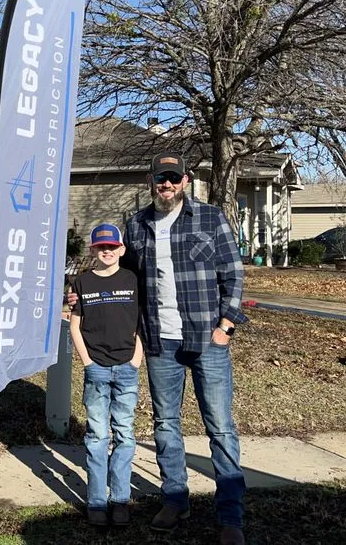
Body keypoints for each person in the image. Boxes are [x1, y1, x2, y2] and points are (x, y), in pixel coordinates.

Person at [123, 151, 247, 545]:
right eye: (161, 178)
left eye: (174, 178)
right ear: (152, 181)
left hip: (207, 338)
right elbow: (128, 281)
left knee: (221, 427)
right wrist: (84, 296)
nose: (167, 185)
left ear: (186, 180)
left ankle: (230, 515)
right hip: (161, 339)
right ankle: (175, 497)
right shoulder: (137, 224)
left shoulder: (209, 218)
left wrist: (226, 326)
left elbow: (234, 273)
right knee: (166, 424)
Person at [69, 223, 143, 528]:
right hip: (96, 368)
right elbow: (75, 325)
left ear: (122, 250)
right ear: (93, 251)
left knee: (124, 434)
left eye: (112, 246)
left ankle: (120, 500)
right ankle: (97, 501)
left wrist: (136, 360)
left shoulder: (133, 280)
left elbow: (141, 323)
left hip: (127, 366)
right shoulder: (82, 283)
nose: (107, 251)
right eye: (101, 247)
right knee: (97, 436)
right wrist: (87, 362)